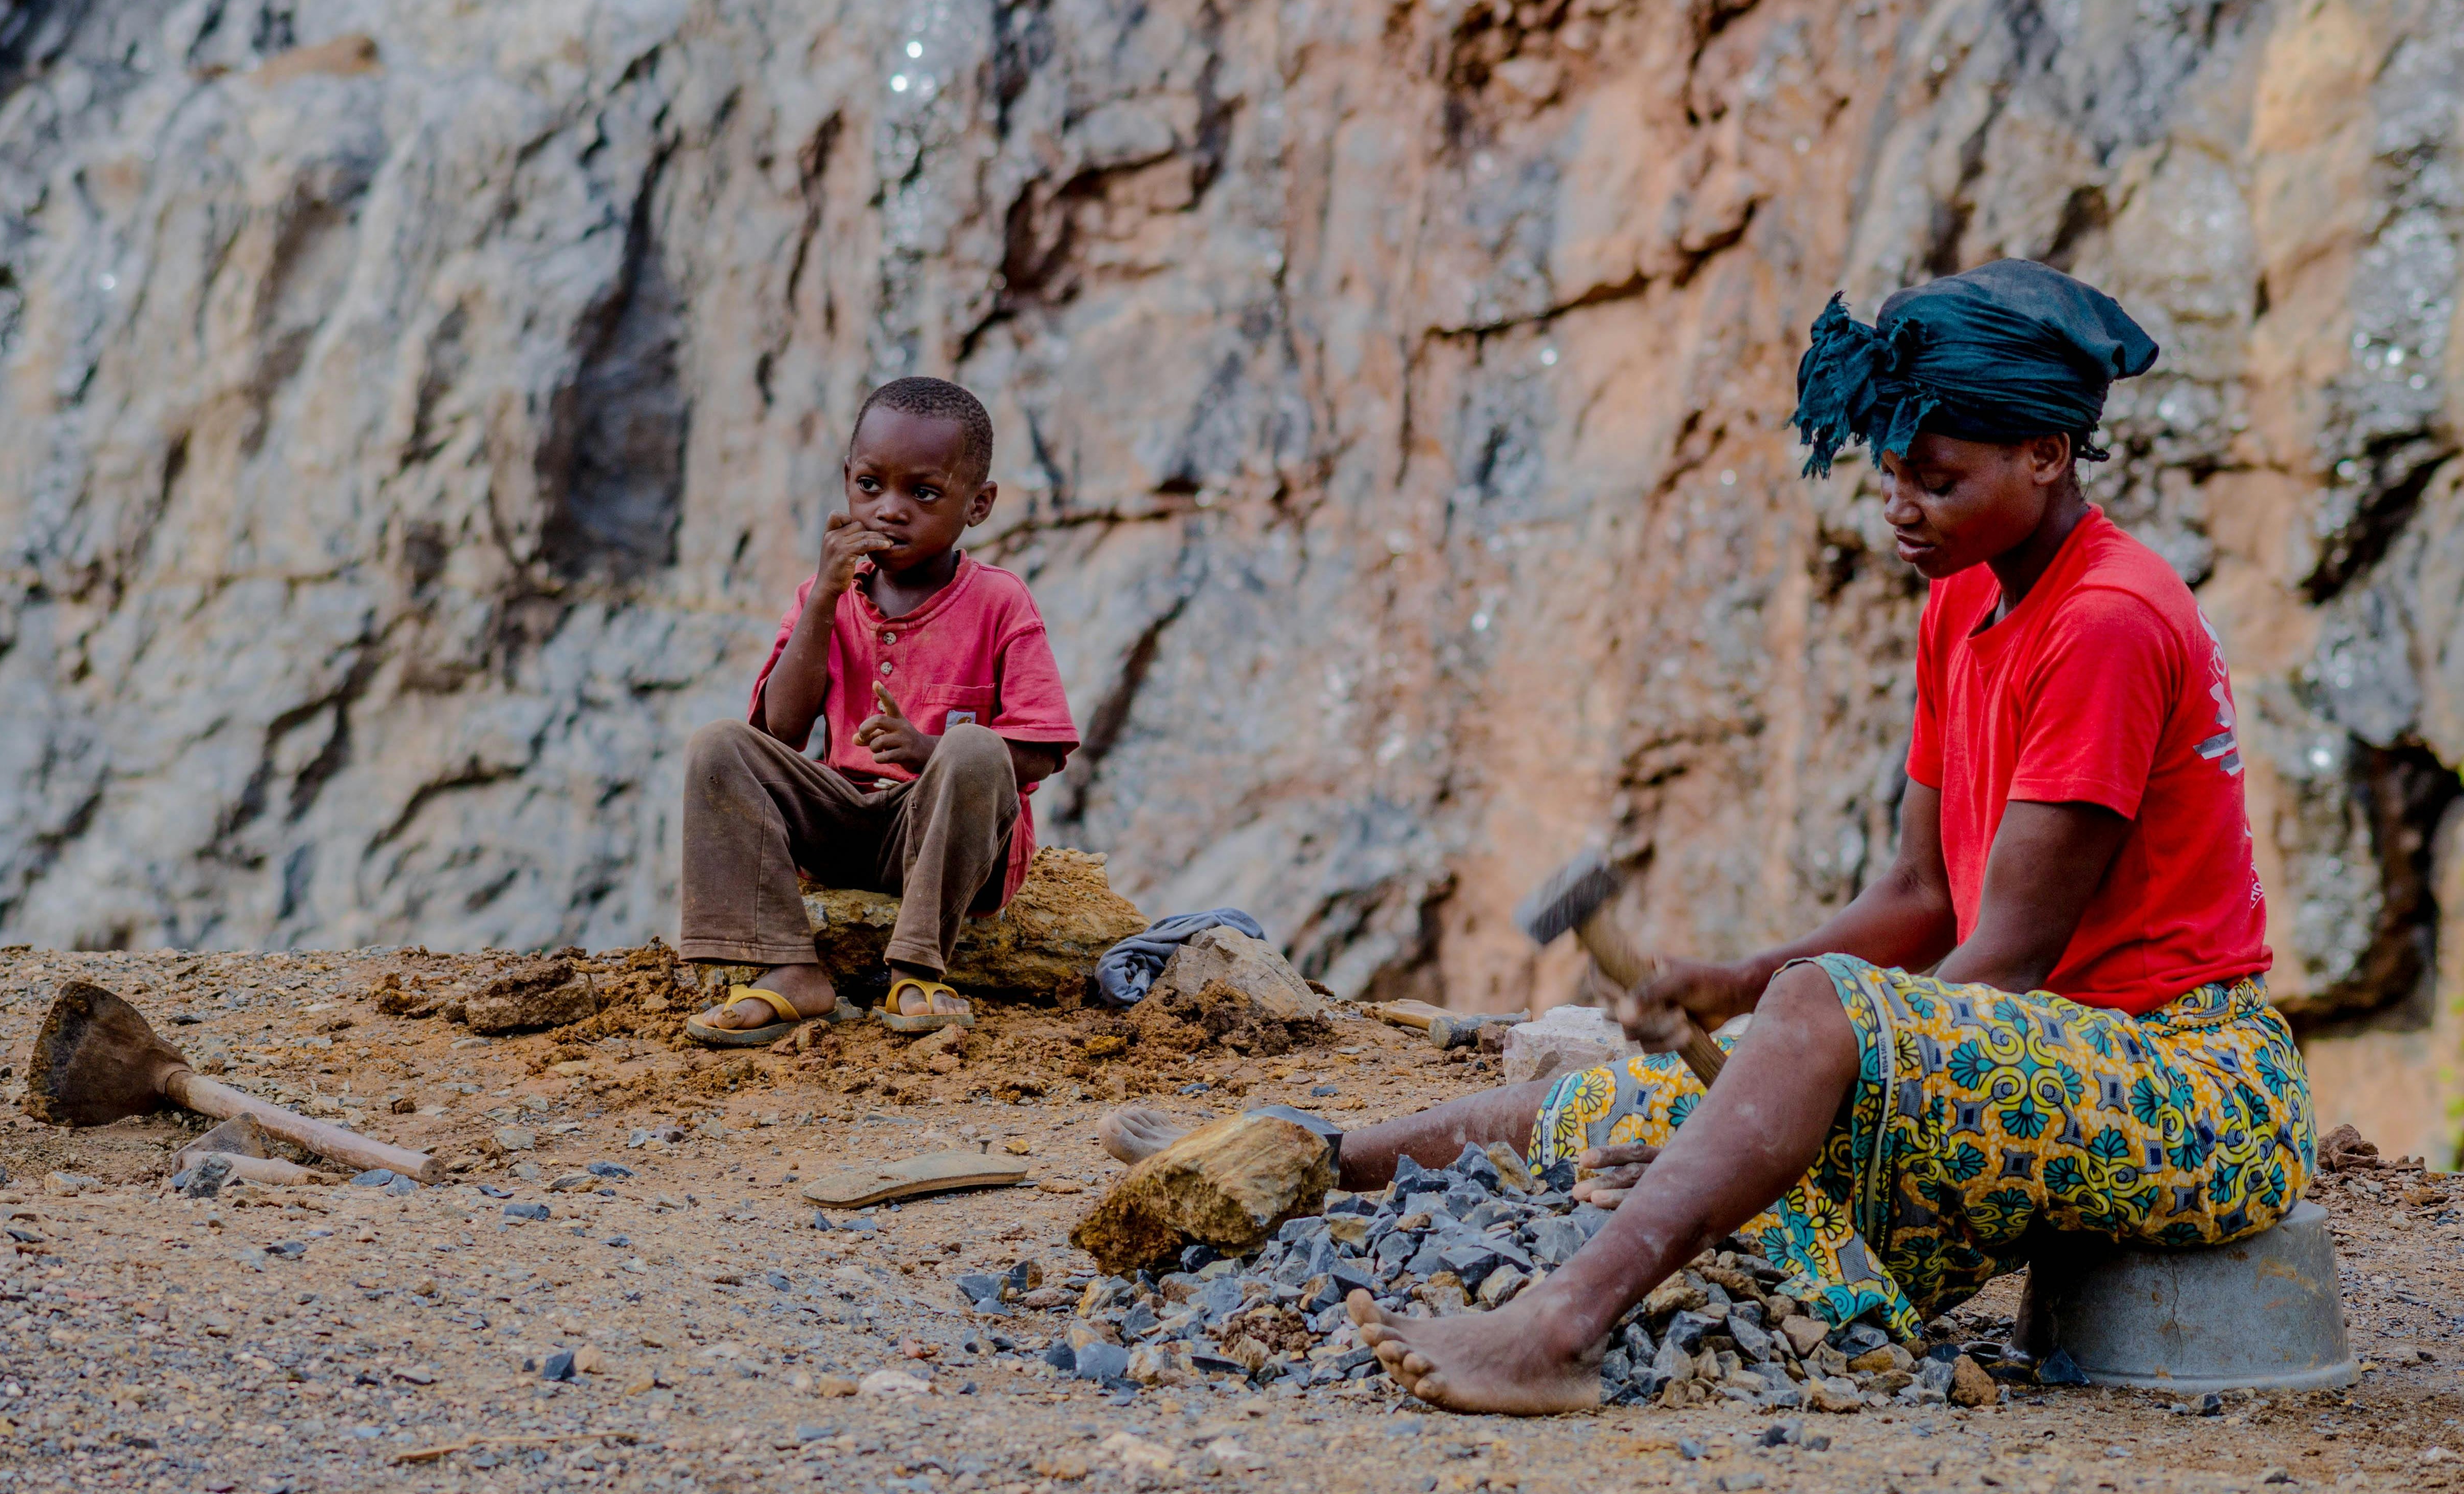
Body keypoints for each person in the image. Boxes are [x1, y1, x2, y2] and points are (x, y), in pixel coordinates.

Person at [1103, 260, 2310, 1415]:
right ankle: (1304, 1155)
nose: (1900, 509)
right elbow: (1918, 893)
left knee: (1798, 1038)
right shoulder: (1964, 596)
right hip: (2048, 1060)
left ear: (2047, 455)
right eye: (1888, 473)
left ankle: (1554, 1331)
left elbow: (1997, 965)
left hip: (2189, 1087)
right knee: (1621, 1105)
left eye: (1936, 480)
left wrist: (1797, 1045)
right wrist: (1729, 987)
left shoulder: (2106, 621)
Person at [675, 377, 1078, 1042]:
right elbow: (779, 731)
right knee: (719, 746)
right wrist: (824, 599)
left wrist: (929, 752)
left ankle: (917, 969)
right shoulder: (824, 595)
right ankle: (787, 967)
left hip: (945, 840)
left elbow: (1039, 753)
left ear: (978, 505)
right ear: (846, 482)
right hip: (843, 826)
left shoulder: (1000, 602)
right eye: (870, 486)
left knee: (976, 748)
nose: (890, 510)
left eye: (923, 494)